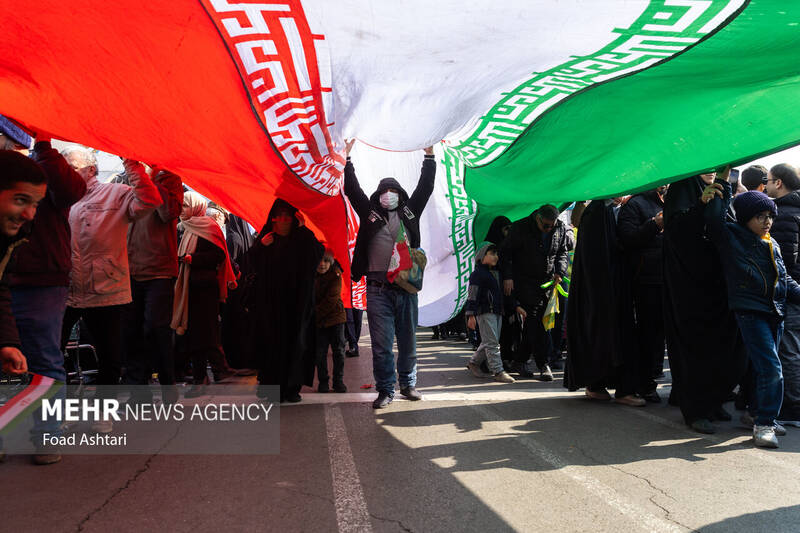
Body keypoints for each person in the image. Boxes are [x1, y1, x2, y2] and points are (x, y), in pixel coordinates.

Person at [61, 149, 160, 432]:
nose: (66, 173)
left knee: (110, 356)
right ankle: (59, 411)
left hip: (107, 290)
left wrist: (131, 161)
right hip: (68, 288)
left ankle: (101, 413)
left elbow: (150, 200)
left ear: (90, 170)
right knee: (53, 352)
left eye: (71, 168)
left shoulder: (115, 193)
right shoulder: (60, 198)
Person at [4, 137, 86, 465]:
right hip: (19, 278)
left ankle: (48, 434)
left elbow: (71, 191)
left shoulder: (47, 169)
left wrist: (43, 145)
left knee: (44, 359)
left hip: (40, 282)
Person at [703, 176, 800, 448]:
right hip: (751, 311)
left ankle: (760, 415)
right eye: (760, 216)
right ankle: (765, 423)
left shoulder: (772, 243)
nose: (767, 221)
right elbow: (714, 222)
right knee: (772, 368)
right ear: (745, 217)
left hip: (775, 311)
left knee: (764, 370)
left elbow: (785, 279)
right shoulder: (732, 237)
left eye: (770, 215)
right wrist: (722, 185)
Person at [344, 140, 436, 409]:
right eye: (384, 191)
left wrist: (429, 157)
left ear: (400, 194)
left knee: (407, 340)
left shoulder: (410, 212)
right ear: (378, 195)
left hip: (405, 287)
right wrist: (347, 159)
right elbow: (353, 189)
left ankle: (408, 384)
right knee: (382, 345)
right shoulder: (369, 212)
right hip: (376, 289)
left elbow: (425, 188)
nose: (388, 194)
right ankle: (385, 390)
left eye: (393, 190)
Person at [662, 173, 747, 434]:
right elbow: (678, 230)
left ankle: (714, 402)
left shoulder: (721, 187)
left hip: (718, 281)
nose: (714, 170)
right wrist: (700, 204)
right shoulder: (682, 187)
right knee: (696, 346)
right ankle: (696, 409)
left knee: (724, 345)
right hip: (690, 286)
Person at [564, 199, 644, 406]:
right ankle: (610, 387)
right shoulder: (598, 211)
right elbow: (600, 256)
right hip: (604, 292)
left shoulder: (604, 210)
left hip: (606, 291)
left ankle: (602, 385)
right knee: (609, 337)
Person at [245, 198, 323, 403]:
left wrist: (305, 230)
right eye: (278, 217)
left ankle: (291, 388)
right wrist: (261, 247)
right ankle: (270, 387)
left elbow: (317, 256)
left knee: (296, 345)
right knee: (270, 346)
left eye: (287, 217)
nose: (283, 221)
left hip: (296, 306)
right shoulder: (266, 238)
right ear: (272, 219)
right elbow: (250, 264)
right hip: (269, 307)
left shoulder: (303, 239)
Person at [0, 150, 47, 464]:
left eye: (35, 204)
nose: (30, 214)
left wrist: (6, 342)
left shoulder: (10, 239)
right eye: (20, 200)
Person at [123, 167, 183, 403]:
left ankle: (168, 384)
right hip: (129, 269)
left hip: (158, 270)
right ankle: (139, 390)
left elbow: (169, 212)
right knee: (131, 331)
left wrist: (145, 178)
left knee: (155, 329)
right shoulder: (123, 181)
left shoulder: (169, 177)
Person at [172, 192, 236, 398]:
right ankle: (212, 373)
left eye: (185, 206)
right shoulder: (184, 228)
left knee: (201, 336)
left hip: (204, 290)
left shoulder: (208, 226)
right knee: (196, 336)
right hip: (189, 289)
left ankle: (203, 378)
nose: (182, 210)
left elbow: (219, 255)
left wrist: (194, 259)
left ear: (195, 206)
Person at [500, 204, 569, 381]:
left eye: (552, 225)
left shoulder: (559, 228)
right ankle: (543, 363)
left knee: (535, 323)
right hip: (525, 281)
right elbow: (506, 253)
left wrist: (559, 272)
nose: (549, 228)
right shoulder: (520, 227)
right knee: (537, 322)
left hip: (547, 283)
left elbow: (562, 252)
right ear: (537, 218)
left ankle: (520, 360)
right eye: (546, 225)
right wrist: (508, 277)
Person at [617, 185, 668, 402]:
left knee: (659, 337)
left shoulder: (671, 201)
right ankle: (640, 385)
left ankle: (650, 382)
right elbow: (627, 239)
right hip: (645, 279)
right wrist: (654, 224)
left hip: (667, 278)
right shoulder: (635, 204)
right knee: (647, 335)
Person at [763, 163, 800, 428]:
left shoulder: (784, 214)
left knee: (788, 351)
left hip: (792, 292)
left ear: (779, 183)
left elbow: (785, 261)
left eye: (768, 180)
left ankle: (792, 407)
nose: (765, 185)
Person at [465, 242, 524, 383]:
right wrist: (471, 315)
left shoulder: (496, 273)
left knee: (489, 341)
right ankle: (498, 371)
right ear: (482, 256)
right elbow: (472, 295)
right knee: (492, 343)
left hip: (497, 311)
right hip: (485, 312)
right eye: (492, 253)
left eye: (496, 254)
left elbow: (505, 294)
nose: (495, 257)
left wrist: (516, 306)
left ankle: (473, 363)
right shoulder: (477, 274)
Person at [314, 249, 347, 393]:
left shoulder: (336, 274)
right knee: (319, 353)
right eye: (319, 260)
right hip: (319, 322)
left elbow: (331, 300)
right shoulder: (310, 275)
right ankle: (323, 382)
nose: (322, 264)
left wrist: (312, 316)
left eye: (326, 261)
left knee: (338, 351)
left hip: (335, 319)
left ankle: (338, 381)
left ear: (331, 262)